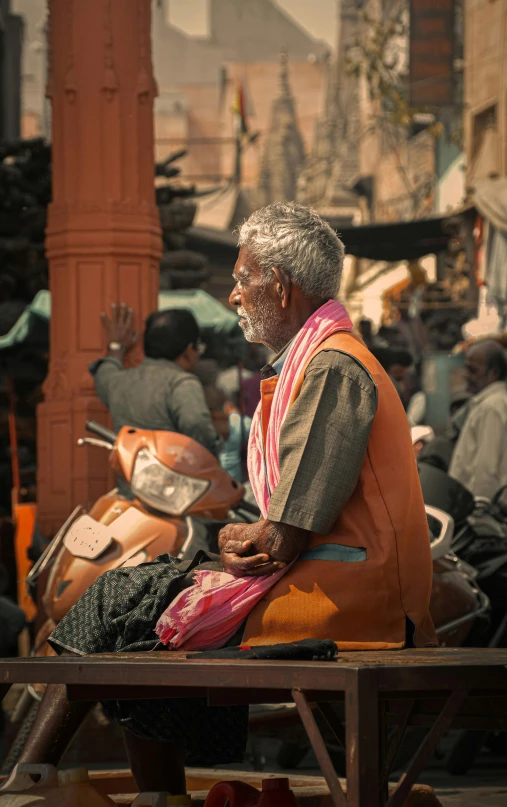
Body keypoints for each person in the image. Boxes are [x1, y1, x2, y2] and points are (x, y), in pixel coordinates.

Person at [12, 203, 435, 796]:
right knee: (135, 598)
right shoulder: (320, 360)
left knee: (127, 597)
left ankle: (35, 776)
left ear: (281, 287)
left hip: (355, 596)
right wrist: (237, 540)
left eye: (242, 279)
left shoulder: (333, 367)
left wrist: (230, 539)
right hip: (329, 576)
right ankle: (109, 783)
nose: (235, 295)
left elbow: (283, 536)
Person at [91, 304, 221, 460]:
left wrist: (115, 345)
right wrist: (215, 447)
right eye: (198, 348)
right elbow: (196, 424)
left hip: (130, 482)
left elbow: (104, 372)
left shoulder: (118, 382)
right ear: (188, 351)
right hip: (175, 481)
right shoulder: (181, 383)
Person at [449, 340, 507, 501]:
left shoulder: (492, 407)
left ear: (493, 373)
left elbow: (486, 470)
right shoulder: (489, 403)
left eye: (473, 370)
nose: (466, 376)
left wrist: (478, 512)